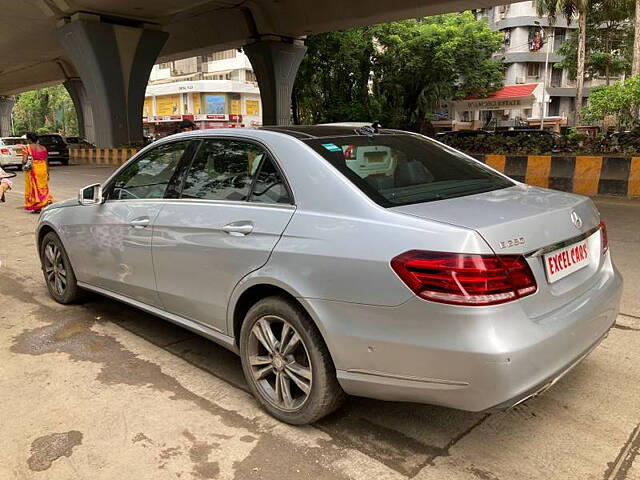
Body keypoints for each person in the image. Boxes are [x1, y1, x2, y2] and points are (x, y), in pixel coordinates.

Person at [23, 132, 54, 213]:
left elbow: (24, 160)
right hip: (43, 169)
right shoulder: (43, 148)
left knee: (35, 188)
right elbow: (46, 162)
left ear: (29, 139)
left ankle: (37, 206)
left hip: (34, 169)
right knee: (43, 186)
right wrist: (47, 173)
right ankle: (45, 201)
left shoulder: (27, 148)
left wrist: (24, 164)